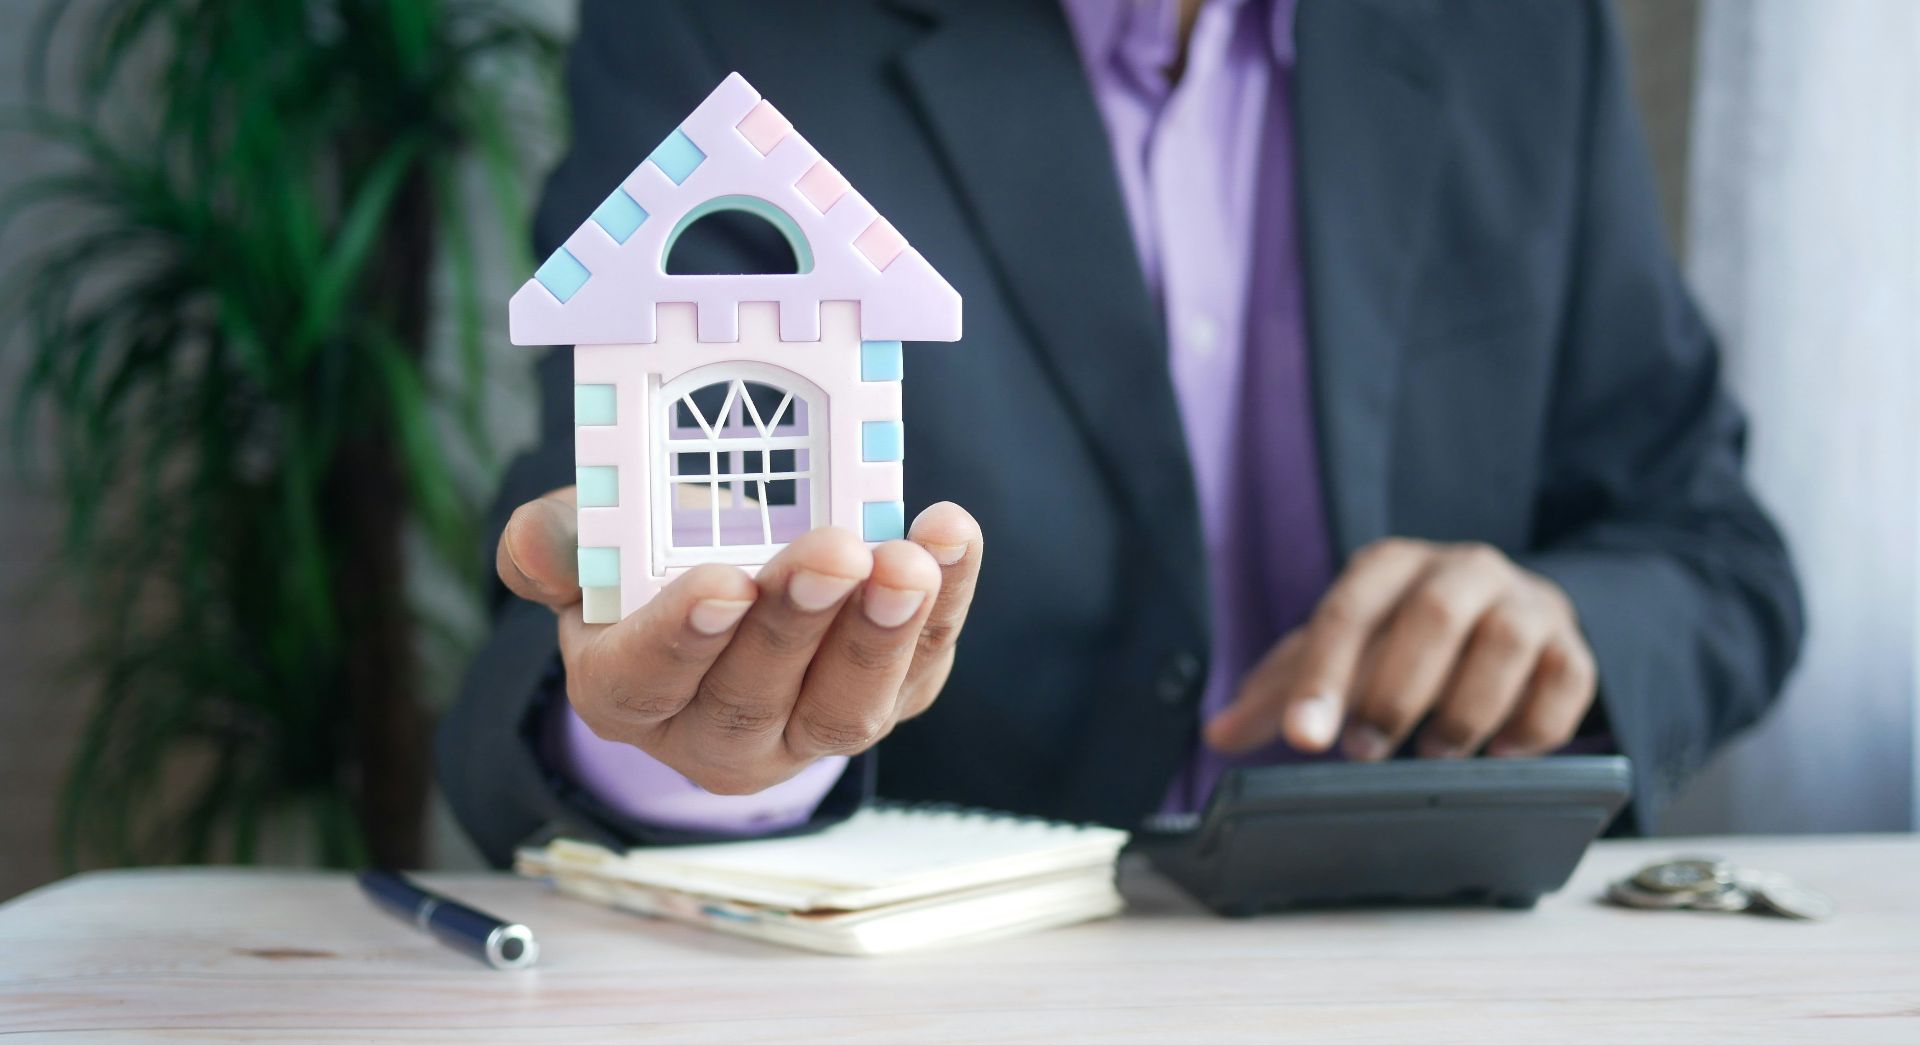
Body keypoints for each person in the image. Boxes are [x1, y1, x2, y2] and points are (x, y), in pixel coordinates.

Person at [438, 0, 1803, 866]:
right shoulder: (716, 31)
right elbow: (585, 595)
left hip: (1439, 975)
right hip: (946, 1009)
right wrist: (694, 752)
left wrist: (1561, 629)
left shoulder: (1519, 32)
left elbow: (1712, 549)